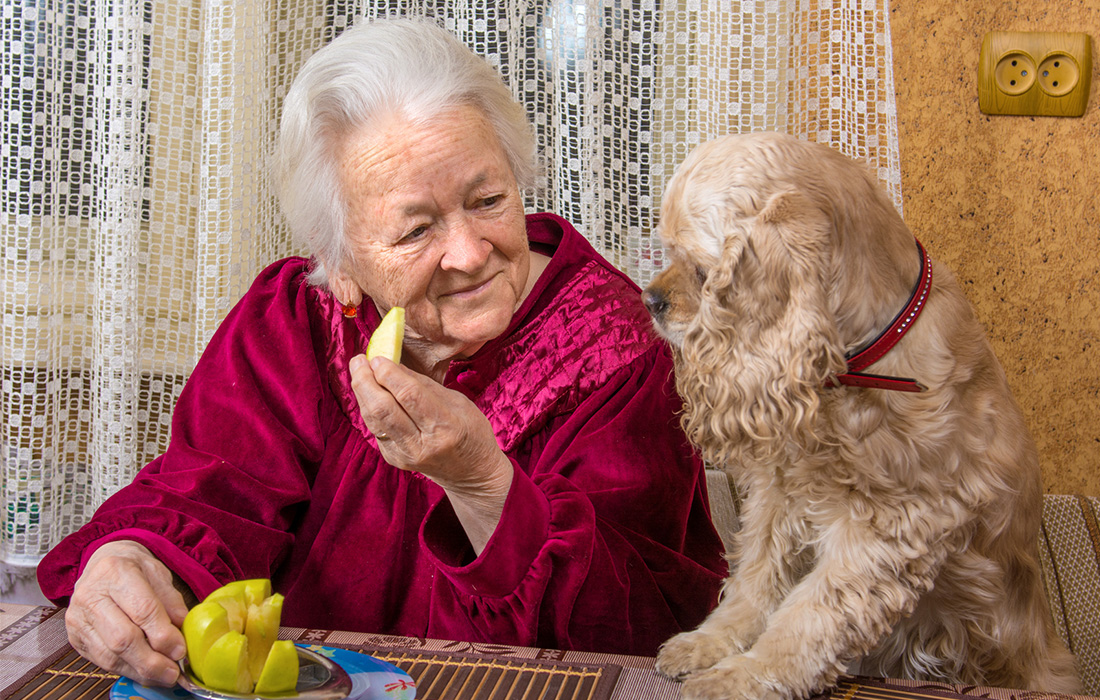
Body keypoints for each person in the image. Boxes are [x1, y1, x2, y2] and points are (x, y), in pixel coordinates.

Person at [37, 17, 727, 688]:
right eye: (416, 229)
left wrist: (484, 483)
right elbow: (209, 496)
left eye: (488, 199)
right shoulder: (294, 319)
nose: (469, 252)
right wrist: (133, 559)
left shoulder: (615, 345)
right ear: (338, 262)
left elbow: (643, 635)